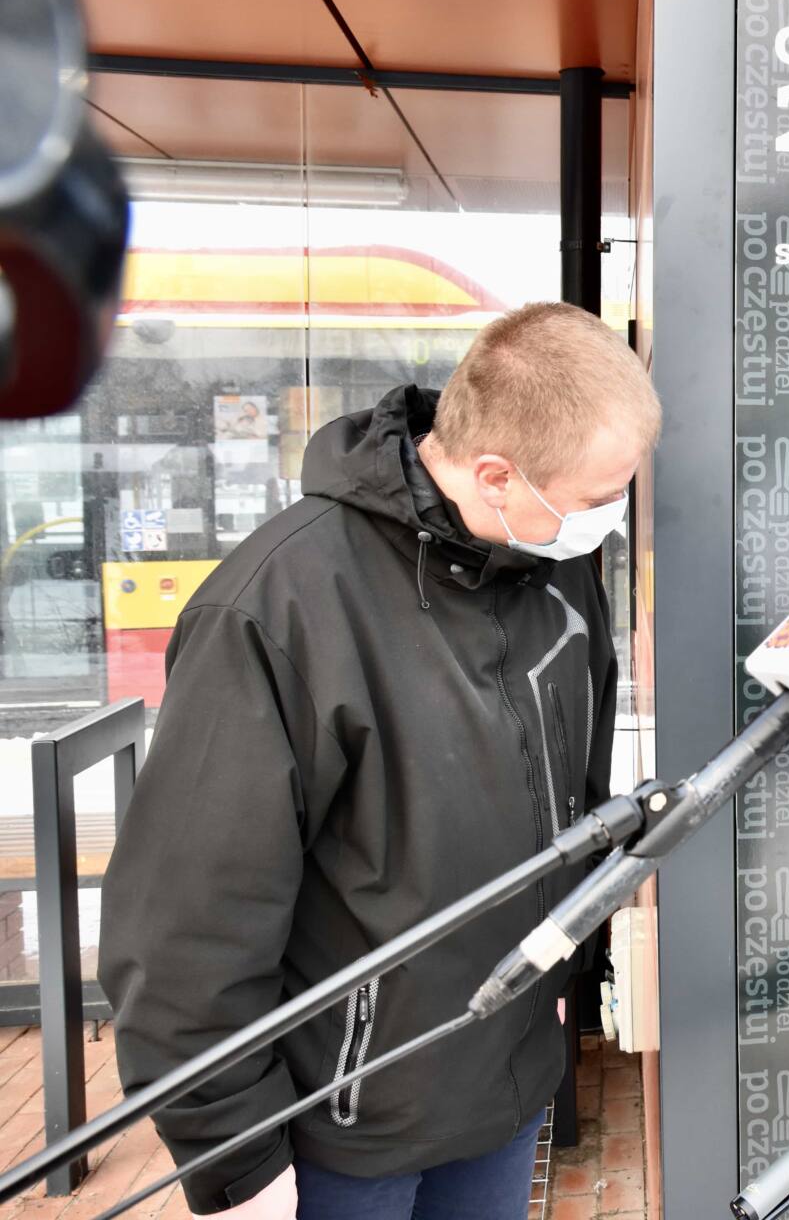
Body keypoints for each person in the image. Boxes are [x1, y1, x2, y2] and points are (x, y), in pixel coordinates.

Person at [101, 303, 660, 1218]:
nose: (605, 522)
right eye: (598, 500)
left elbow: (571, 797)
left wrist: (565, 979)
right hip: (339, 1126)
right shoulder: (275, 609)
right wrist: (231, 1155)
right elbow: (186, 922)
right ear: (495, 473)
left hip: (507, 1082)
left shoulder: (552, 570)